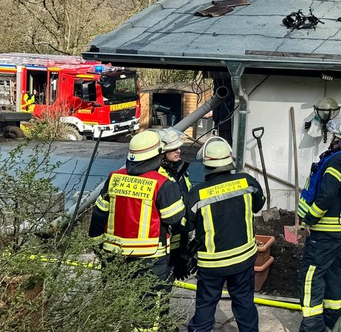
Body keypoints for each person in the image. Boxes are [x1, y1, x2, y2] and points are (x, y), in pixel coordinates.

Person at [89, 130, 186, 332]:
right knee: (147, 313)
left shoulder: (114, 178)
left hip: (113, 256)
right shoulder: (162, 184)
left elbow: (99, 214)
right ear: (157, 155)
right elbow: (175, 219)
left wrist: (97, 246)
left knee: (114, 307)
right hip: (150, 259)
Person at [184, 137, 265, 332]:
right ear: (230, 160)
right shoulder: (247, 182)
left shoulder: (197, 193)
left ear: (206, 164)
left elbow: (186, 225)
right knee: (245, 304)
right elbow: (258, 205)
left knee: (205, 307)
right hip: (243, 259)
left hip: (212, 264)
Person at [297, 118, 341, 332]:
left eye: (333, 136)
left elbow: (326, 194)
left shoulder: (338, 160)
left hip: (326, 229)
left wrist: (309, 219)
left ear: (338, 139)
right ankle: (333, 318)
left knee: (311, 275)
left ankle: (312, 326)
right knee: (334, 270)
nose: (331, 140)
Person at [158, 128, 195, 282]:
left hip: (180, 239)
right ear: (162, 152)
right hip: (164, 244)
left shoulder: (180, 170)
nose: (178, 151)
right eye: (173, 149)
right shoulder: (159, 176)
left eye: (179, 147)